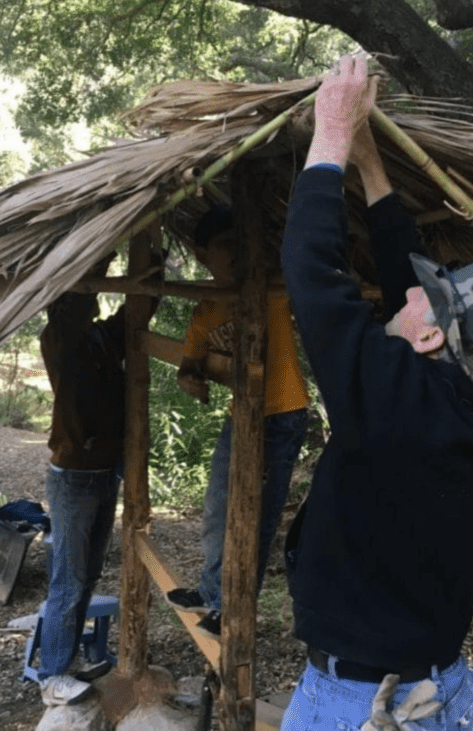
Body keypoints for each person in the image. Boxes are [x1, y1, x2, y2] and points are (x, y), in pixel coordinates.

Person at [279, 54, 473, 731]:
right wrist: (370, 166)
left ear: (429, 342)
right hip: (441, 690)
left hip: (363, 707)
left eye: (423, 303)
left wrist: (334, 132)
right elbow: (410, 291)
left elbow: (313, 274)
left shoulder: (401, 411)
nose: (398, 297)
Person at [166, 206, 310, 640]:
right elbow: (188, 364)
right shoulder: (208, 305)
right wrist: (193, 378)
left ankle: (233, 611)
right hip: (240, 416)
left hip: (282, 416)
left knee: (258, 517)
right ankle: (212, 593)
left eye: (241, 247)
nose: (236, 257)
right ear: (203, 253)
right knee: (217, 511)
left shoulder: (273, 286)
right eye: (226, 248)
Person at [36, 254, 157, 706]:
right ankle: (51, 677)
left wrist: (153, 270)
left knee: (85, 577)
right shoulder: (59, 340)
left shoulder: (100, 339)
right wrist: (100, 254)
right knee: (67, 580)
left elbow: (134, 314)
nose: (91, 300)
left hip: (103, 476)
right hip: (73, 478)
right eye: (82, 294)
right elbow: (74, 306)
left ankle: (67, 662)